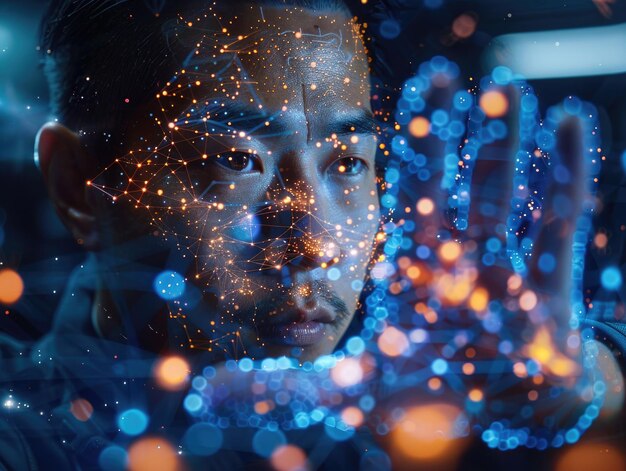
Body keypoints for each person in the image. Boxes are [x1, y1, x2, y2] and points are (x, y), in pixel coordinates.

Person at [0, 0, 624, 469]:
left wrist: (591, 386)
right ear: (77, 183)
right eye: (235, 160)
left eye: (348, 164)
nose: (315, 246)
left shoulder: (410, 396)